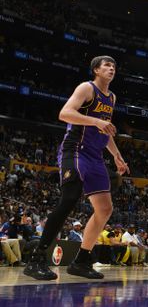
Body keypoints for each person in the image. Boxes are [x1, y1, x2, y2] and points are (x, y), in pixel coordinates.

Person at [24, 56, 130, 281]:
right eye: (107, 65)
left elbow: (106, 130)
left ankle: (81, 261)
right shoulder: (86, 88)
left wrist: (117, 156)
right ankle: (36, 257)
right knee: (70, 198)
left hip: (96, 156)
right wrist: (96, 121)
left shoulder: (111, 97)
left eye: (114, 65)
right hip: (76, 150)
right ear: (96, 70)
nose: (112, 68)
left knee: (104, 209)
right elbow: (64, 113)